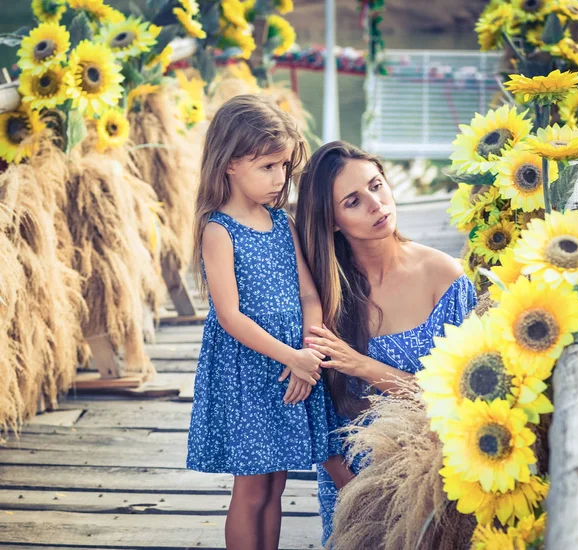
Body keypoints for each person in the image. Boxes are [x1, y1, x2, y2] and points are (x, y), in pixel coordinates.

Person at [186, 95, 348, 550]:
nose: (281, 179)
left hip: (291, 364)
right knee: (252, 487)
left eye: (285, 167)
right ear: (230, 164)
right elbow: (230, 316)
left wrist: (310, 351)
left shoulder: (282, 223)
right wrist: (291, 358)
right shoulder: (218, 230)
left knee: (276, 486)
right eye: (269, 167)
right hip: (249, 372)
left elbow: (308, 293)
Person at [295, 141, 477, 545]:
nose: (376, 204)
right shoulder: (322, 295)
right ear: (333, 221)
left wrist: (362, 365)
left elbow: (463, 399)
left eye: (377, 186)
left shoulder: (444, 278)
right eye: (354, 201)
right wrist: (354, 491)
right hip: (350, 481)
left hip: (437, 477)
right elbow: (315, 410)